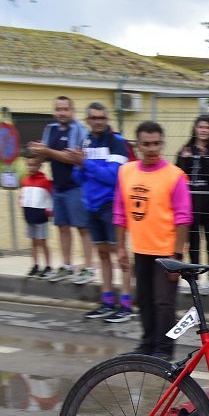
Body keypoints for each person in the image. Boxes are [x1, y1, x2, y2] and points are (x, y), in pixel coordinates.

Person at [114, 121, 192, 360]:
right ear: (138, 145)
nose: (152, 149)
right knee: (144, 300)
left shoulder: (174, 176)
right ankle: (148, 344)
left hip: (167, 252)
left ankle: (164, 349)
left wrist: (177, 256)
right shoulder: (126, 172)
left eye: (157, 143)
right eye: (146, 144)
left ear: (163, 144)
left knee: (164, 303)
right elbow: (119, 212)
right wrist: (120, 248)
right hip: (141, 249)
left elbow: (183, 218)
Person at [73, 102, 133, 322]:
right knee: (102, 254)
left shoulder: (116, 142)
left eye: (102, 117)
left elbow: (114, 176)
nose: (98, 121)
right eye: (94, 118)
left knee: (121, 256)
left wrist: (85, 164)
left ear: (107, 119)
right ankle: (107, 301)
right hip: (91, 206)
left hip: (112, 205)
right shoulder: (85, 141)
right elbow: (77, 177)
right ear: (87, 120)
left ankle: (126, 305)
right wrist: (79, 167)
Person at [27, 96, 94, 284]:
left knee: (83, 228)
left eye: (65, 109)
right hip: (58, 186)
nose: (62, 113)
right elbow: (44, 156)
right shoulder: (50, 129)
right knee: (62, 227)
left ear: (72, 111)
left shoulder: (79, 129)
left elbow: (73, 158)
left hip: (76, 186)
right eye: (58, 109)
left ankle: (89, 267)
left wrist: (46, 151)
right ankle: (66, 266)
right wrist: (35, 154)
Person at [176, 115, 209, 288]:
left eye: (207, 128)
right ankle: (195, 278)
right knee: (193, 242)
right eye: (201, 127)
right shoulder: (186, 149)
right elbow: (178, 174)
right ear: (195, 129)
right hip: (190, 204)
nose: (204, 130)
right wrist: (185, 158)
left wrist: (206, 159)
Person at [20, 155, 53, 278]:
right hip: (29, 215)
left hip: (41, 217)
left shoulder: (45, 182)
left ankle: (48, 266)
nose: (31, 167)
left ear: (40, 166)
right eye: (29, 164)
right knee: (33, 242)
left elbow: (50, 198)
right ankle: (35, 264)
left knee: (42, 242)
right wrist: (23, 207)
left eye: (34, 165)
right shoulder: (25, 181)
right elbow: (23, 197)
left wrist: (49, 212)